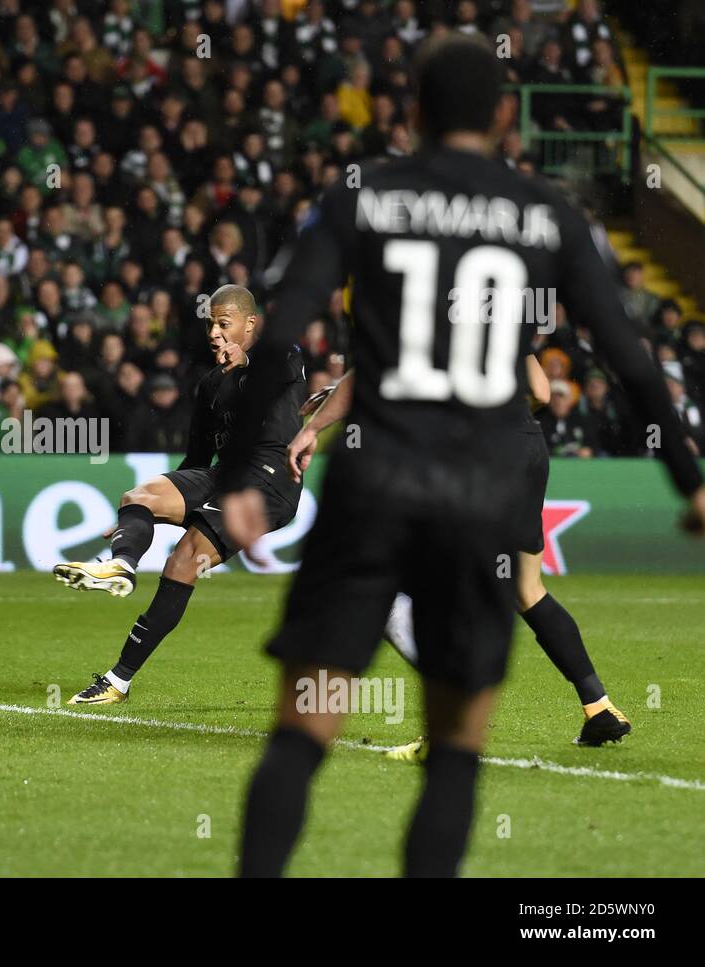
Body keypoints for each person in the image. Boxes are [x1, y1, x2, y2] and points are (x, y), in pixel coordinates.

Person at [219, 35, 705, 877]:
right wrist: (691, 482)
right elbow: (630, 355)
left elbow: (283, 323)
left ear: (411, 112)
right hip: (477, 494)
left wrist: (239, 478)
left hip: (372, 489)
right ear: (506, 116)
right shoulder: (544, 210)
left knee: (302, 726)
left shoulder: (363, 195)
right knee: (454, 750)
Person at [289, 357, 633, 751]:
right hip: (525, 443)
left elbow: (375, 367)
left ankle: (448, 725)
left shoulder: (423, 298)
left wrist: (315, 424)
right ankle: (599, 706)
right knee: (527, 588)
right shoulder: (499, 298)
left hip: (472, 451)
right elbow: (540, 391)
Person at [54, 284, 305, 704]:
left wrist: (245, 364)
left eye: (224, 324)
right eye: (210, 324)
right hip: (224, 474)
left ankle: (118, 677)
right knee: (140, 495)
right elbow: (196, 459)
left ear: (250, 324)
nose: (214, 333)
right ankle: (121, 568)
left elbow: (275, 376)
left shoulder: (282, 354)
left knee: (184, 559)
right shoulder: (209, 385)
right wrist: (139, 520)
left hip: (269, 482)